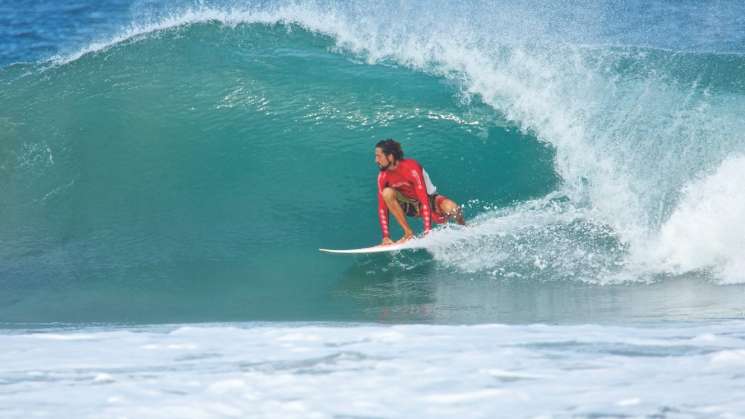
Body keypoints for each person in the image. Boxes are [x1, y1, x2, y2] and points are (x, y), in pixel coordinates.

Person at [375, 139, 465, 245]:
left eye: (379, 156)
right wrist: (386, 236)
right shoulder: (383, 177)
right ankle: (408, 233)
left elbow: (425, 200)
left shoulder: (411, 168)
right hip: (409, 205)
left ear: (390, 156)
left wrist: (427, 232)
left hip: (429, 200)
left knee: (453, 208)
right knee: (386, 193)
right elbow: (382, 208)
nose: (376, 160)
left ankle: (464, 228)